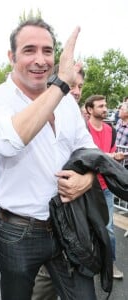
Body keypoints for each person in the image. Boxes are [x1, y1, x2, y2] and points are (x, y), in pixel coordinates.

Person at [0, 19, 100, 300]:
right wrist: (60, 86)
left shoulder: (68, 102)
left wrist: (87, 178)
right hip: (19, 232)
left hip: (67, 224)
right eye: (29, 50)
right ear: (11, 57)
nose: (40, 60)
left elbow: (89, 151)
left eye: (47, 51)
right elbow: (10, 142)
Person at [32, 65, 86, 300]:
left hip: (71, 220)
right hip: (38, 224)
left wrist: (86, 178)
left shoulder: (73, 114)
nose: (76, 91)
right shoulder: (33, 113)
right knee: (41, 289)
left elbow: (90, 156)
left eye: (80, 87)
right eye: (71, 85)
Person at [85, 94, 124, 279]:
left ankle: (110, 264)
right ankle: (85, 265)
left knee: (108, 229)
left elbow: (107, 155)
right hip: (84, 188)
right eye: (100, 106)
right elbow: (87, 158)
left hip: (104, 186)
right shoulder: (83, 130)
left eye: (105, 105)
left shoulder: (111, 130)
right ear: (89, 110)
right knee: (84, 228)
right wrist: (108, 156)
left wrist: (114, 156)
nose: (105, 108)